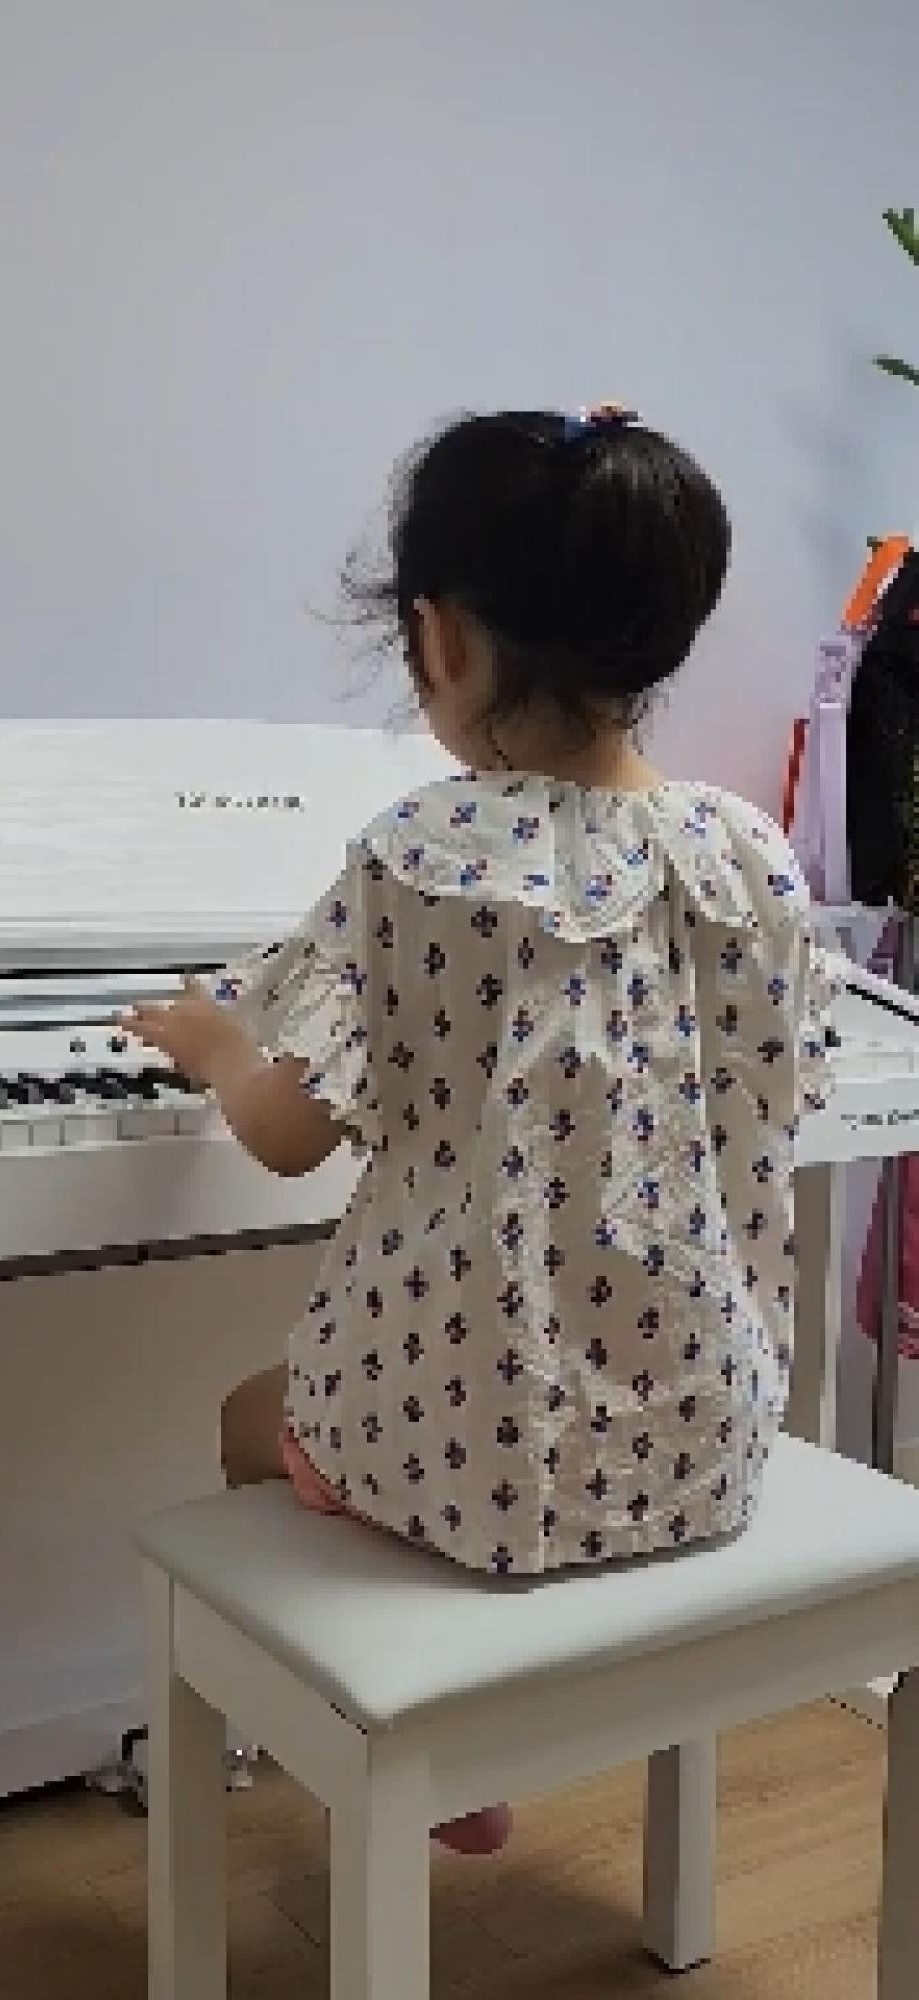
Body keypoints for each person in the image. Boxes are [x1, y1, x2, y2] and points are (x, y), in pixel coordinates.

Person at [124, 405, 835, 1855]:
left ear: (437, 640)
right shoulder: (745, 855)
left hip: (474, 1459)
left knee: (248, 1419)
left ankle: (433, 1744)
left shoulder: (422, 855)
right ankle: (477, 1707)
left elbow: (286, 1137)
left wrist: (215, 1043)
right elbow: (764, 1100)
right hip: (709, 1438)